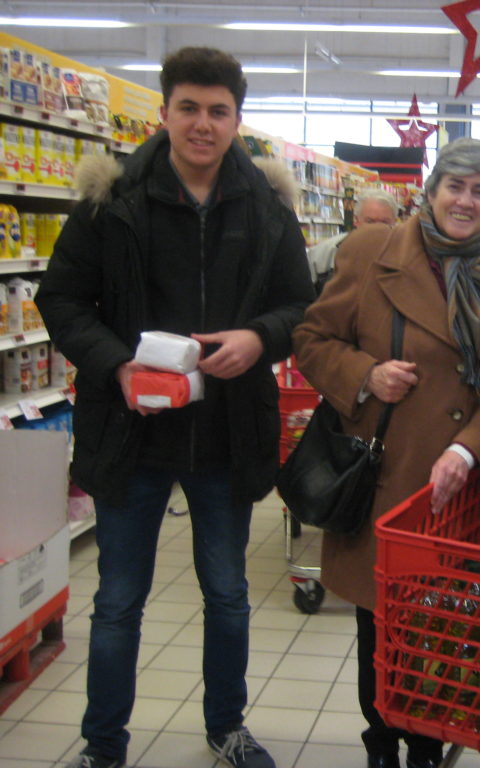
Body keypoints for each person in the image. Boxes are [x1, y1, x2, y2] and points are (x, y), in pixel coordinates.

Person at [36, 47, 314, 768]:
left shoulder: (266, 207)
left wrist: (259, 338)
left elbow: (299, 306)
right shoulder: (112, 203)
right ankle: (104, 748)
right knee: (118, 602)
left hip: (225, 434)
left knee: (227, 592)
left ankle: (227, 727)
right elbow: (61, 299)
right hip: (131, 431)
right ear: (164, 113)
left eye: (217, 110)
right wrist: (116, 363)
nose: (202, 123)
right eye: (188, 107)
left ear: (237, 120)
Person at [292, 137, 480, 768]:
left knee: (444, 623)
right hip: (387, 473)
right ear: (430, 193)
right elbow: (313, 338)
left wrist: (467, 448)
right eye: (454, 186)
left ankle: (427, 744)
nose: (465, 200)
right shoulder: (373, 253)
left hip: (461, 483)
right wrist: (365, 375)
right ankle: (381, 744)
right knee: (379, 623)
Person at [306, 189, 399, 293]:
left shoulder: (407, 256)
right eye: (370, 221)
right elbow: (303, 299)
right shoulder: (324, 254)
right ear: (357, 221)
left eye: (384, 222)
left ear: (394, 223)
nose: (376, 228)